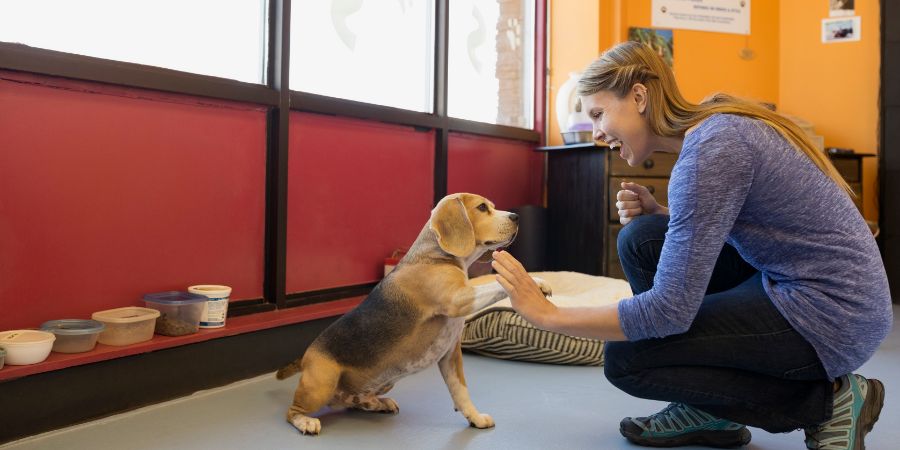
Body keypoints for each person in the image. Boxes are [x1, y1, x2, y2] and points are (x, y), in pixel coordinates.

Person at [491, 40, 892, 449]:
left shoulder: (711, 151)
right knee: (643, 238)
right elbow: (741, 221)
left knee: (629, 360)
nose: (595, 132)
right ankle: (708, 411)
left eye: (598, 113)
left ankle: (829, 403)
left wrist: (550, 315)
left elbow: (669, 311)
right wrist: (663, 211)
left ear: (639, 97)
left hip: (834, 314)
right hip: (810, 285)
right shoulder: (715, 130)